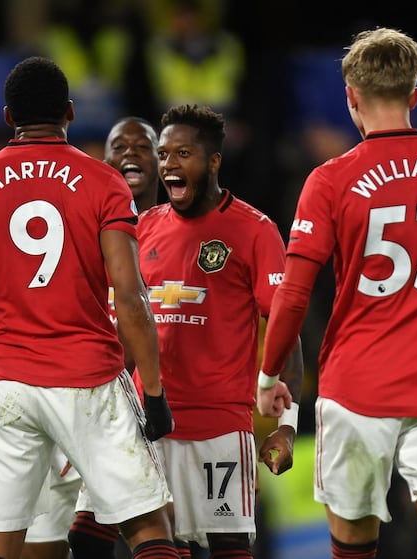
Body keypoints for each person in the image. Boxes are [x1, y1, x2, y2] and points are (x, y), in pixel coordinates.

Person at [257, 27, 417, 559]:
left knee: (353, 545)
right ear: (414, 97)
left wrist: (267, 375)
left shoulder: (330, 181)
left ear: (351, 97)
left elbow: (293, 294)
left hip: (358, 386)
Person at [0, 56, 179, 559]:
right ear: (71, 113)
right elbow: (129, 294)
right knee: (147, 525)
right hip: (89, 381)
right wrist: (154, 388)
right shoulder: (104, 182)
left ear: (9, 117)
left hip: (5, 387)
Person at [74, 104, 302, 559]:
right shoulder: (145, 227)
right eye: (164, 154)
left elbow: (285, 328)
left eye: (183, 153)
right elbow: (127, 331)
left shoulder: (254, 230)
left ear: (213, 161)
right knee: (87, 534)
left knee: (226, 549)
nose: (169, 165)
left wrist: (287, 427)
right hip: (146, 419)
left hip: (217, 426)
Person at [25, 115, 162, 559]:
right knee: (59, 541)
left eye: (142, 147)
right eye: (118, 147)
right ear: (102, 160)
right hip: (74, 393)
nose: (129, 155)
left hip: (146, 411)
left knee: (157, 528)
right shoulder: (78, 222)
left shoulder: (182, 229)